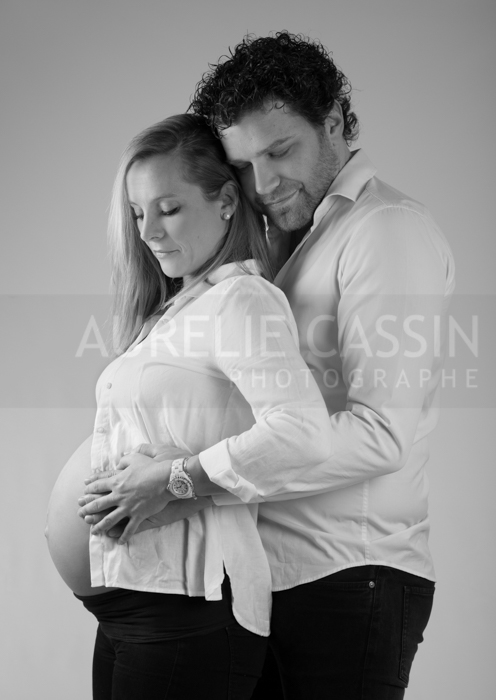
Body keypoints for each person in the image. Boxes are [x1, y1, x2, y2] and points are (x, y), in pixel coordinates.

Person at [79, 32, 455, 699]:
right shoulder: (277, 243)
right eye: (244, 165)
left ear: (334, 122)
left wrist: (181, 479)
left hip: (347, 575)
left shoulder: (384, 230)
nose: (265, 183)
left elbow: (381, 433)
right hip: (266, 578)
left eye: (280, 151)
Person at [46, 112, 333, 700]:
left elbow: (302, 433)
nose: (149, 231)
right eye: (137, 213)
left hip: (185, 611)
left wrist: (173, 479)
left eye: (169, 208)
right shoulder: (175, 309)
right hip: (133, 604)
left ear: (225, 201)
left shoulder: (241, 299)